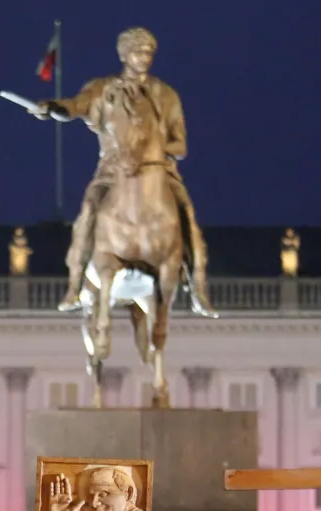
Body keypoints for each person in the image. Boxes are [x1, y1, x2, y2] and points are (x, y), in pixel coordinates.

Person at [33, 26, 214, 317]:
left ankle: (198, 286)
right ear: (124, 55)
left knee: (186, 214)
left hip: (158, 170)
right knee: (89, 210)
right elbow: (76, 107)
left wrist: (153, 144)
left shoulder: (167, 95)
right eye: (138, 52)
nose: (144, 58)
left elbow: (180, 146)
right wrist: (52, 107)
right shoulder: (102, 89)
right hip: (113, 170)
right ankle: (75, 284)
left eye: (148, 53)